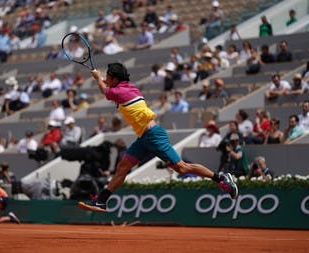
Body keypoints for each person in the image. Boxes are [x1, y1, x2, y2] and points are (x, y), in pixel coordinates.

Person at [79, 62, 238, 213]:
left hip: (154, 136)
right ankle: (102, 200)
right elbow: (108, 88)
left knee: (182, 168)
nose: (106, 79)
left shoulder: (120, 91)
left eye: (109, 77)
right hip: (143, 138)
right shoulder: (128, 88)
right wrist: (103, 78)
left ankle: (221, 178)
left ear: (116, 79)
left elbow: (105, 90)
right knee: (123, 167)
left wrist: (98, 78)